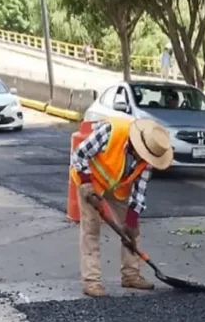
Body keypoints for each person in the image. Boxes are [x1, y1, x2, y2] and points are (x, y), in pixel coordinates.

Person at [69, 119, 173, 298]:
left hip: (117, 188)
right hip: (90, 182)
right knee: (91, 230)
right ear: (137, 144)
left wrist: (131, 220)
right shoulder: (112, 132)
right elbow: (79, 155)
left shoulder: (148, 159)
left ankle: (131, 275)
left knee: (133, 231)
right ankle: (91, 282)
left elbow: (140, 190)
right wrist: (86, 184)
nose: (144, 159)